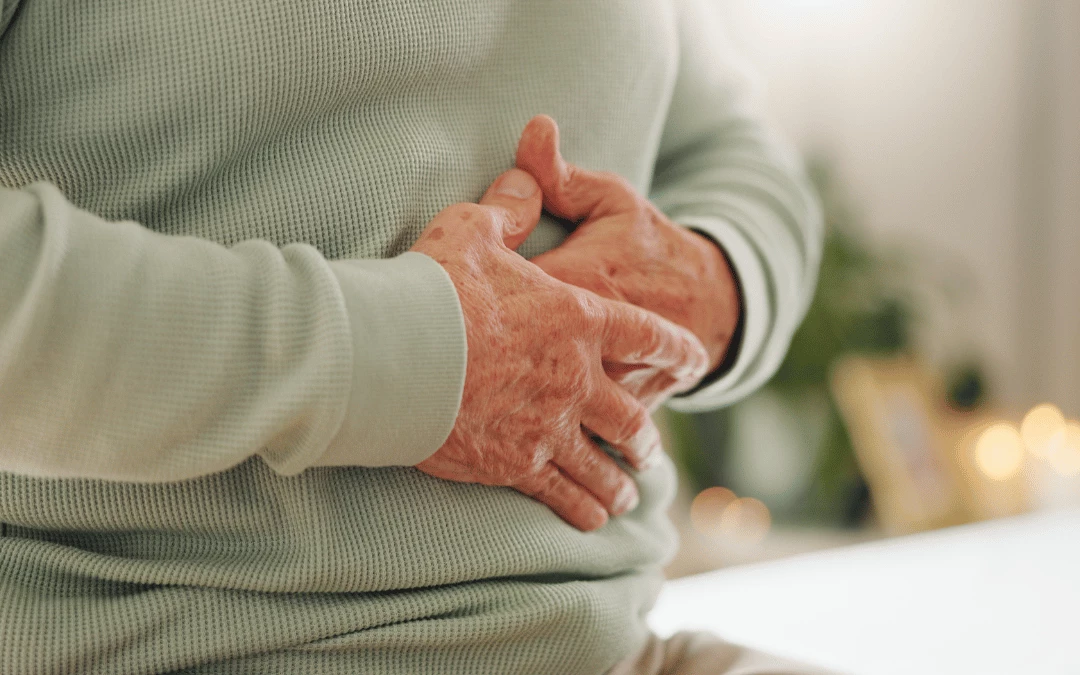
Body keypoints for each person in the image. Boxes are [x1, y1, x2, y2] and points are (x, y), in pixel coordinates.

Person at [0, 0, 823, 673]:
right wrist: (417, 356)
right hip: (170, 645)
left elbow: (732, 151)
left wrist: (719, 277)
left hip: (618, 647)